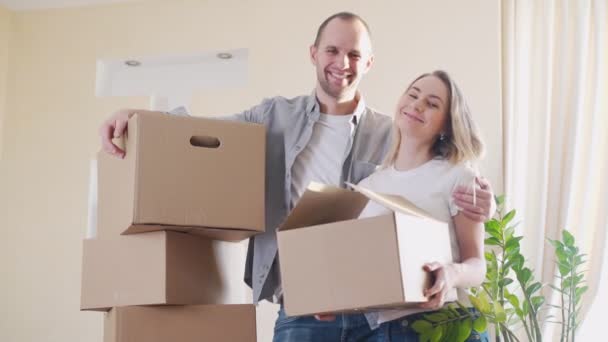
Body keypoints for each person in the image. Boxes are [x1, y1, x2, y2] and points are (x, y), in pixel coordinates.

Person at [99, 12, 495, 342]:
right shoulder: (276, 117)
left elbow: (436, 182)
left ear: (369, 63)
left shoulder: (391, 133)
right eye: (333, 50)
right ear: (314, 54)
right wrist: (144, 118)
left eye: (355, 54)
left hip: (376, 311)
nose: (343, 63)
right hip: (304, 300)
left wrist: (484, 203)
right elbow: (208, 133)